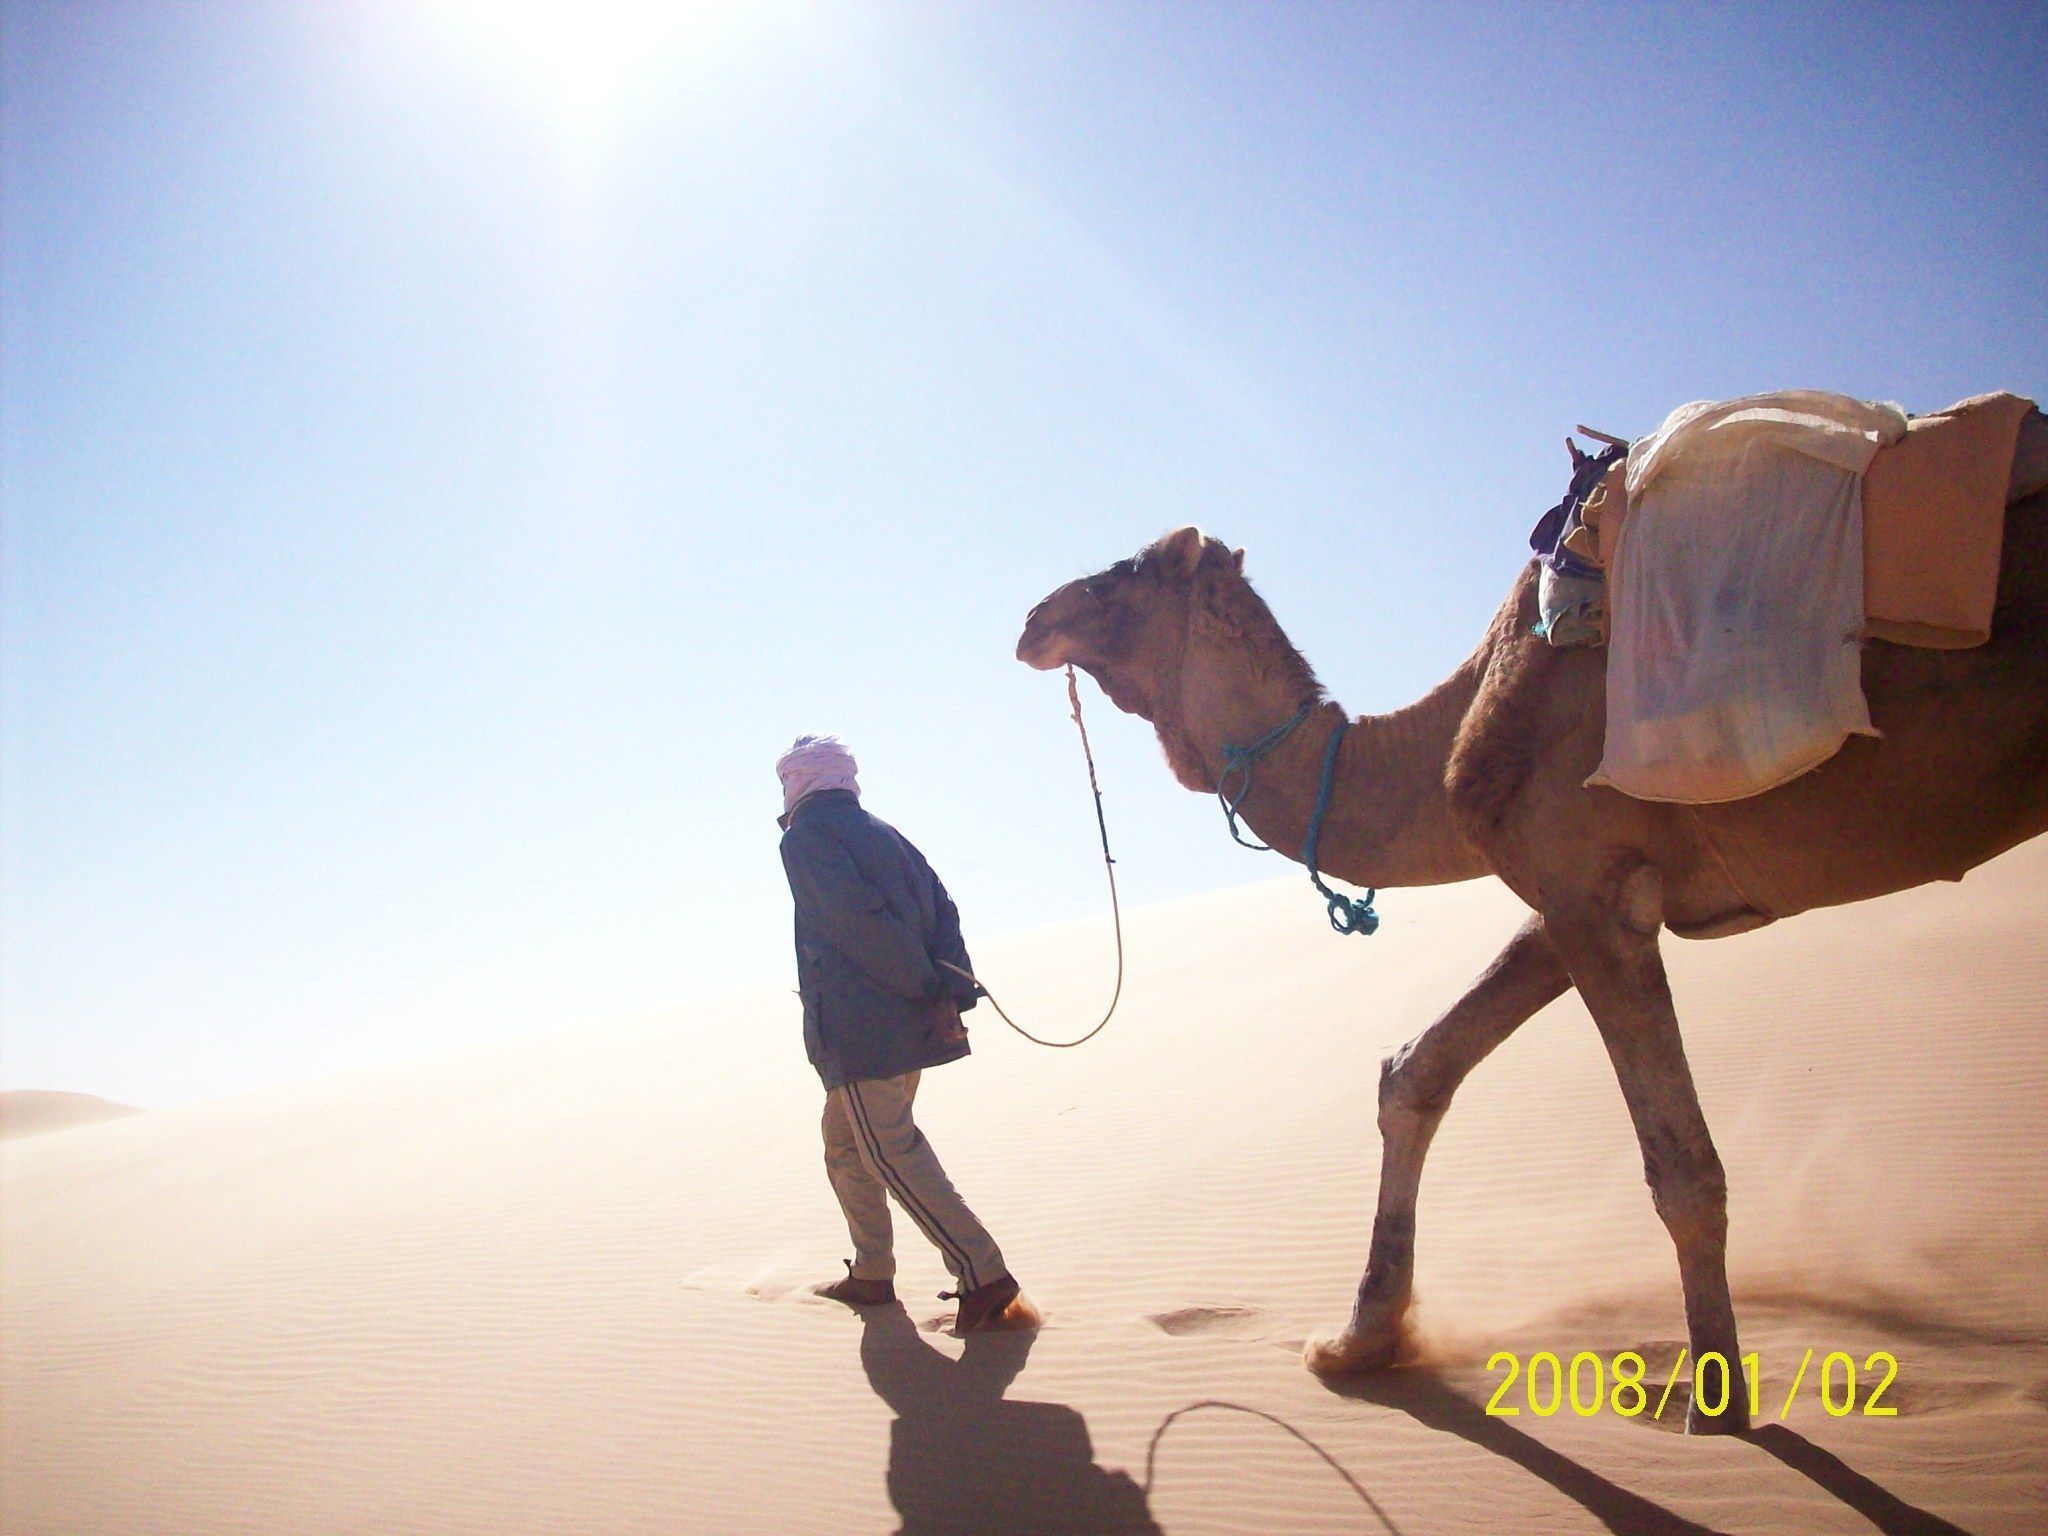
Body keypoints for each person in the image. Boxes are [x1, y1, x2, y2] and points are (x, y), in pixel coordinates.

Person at [775, 734, 1023, 1332]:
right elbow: (944, 909)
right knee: (845, 1143)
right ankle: (872, 1271)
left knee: (890, 1151)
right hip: (901, 1019)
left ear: (801, 780)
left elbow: (857, 922)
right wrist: (948, 988)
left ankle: (983, 1272)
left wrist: (928, 989)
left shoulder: (807, 836)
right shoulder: (883, 832)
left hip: (866, 1028)